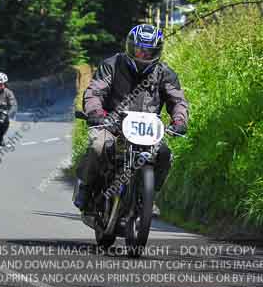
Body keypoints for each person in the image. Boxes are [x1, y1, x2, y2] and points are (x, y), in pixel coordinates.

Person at [74, 24, 189, 211]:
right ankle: (85, 187)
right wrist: (96, 113)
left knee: (164, 154)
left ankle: (149, 196)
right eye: (139, 50)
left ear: (157, 52)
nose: (143, 55)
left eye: (148, 51)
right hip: (112, 125)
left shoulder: (165, 73)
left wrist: (179, 121)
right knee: (98, 146)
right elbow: (94, 92)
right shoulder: (112, 65)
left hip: (147, 130)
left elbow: (178, 101)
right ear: (129, 47)